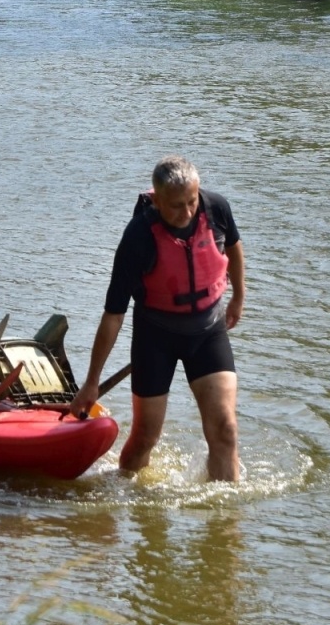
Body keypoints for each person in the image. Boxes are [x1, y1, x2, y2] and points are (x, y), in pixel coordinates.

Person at [68, 156, 246, 480]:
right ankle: (126, 504)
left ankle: (226, 524)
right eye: (177, 205)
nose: (188, 212)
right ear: (158, 201)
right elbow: (113, 315)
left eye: (192, 201)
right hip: (156, 336)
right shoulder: (138, 237)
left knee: (225, 430)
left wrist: (238, 298)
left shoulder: (216, 208)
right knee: (145, 438)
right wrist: (92, 382)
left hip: (208, 331)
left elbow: (233, 246)